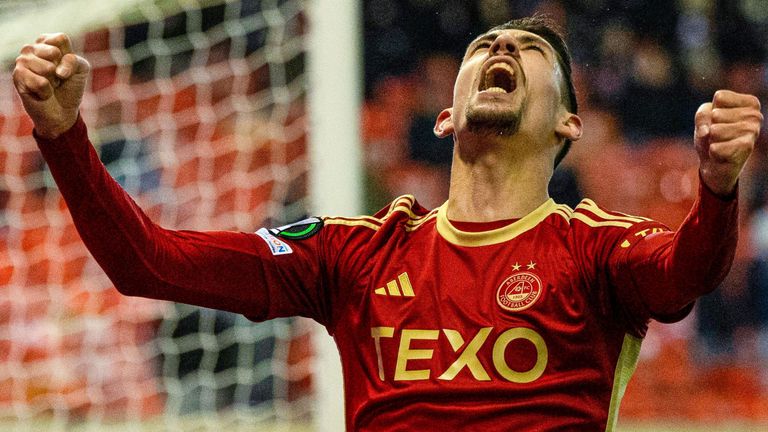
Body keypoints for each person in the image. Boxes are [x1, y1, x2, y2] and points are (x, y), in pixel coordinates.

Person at [12, 16, 762, 431]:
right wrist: (63, 138)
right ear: (445, 115)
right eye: (484, 46)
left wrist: (717, 186)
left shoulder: (595, 248)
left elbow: (682, 279)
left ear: (570, 121)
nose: (501, 47)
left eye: (530, 51)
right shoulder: (357, 254)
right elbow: (150, 263)